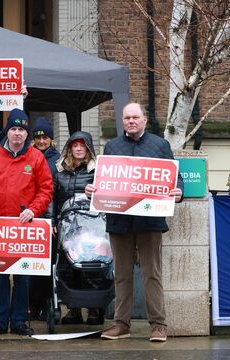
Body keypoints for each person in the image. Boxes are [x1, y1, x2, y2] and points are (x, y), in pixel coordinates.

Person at [85, 103, 183, 342]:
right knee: (122, 275)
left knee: (152, 274)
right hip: (120, 221)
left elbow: (174, 176)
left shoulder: (160, 145)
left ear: (144, 120)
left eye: (135, 117)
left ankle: (158, 325)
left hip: (150, 221)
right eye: (127, 117)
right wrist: (92, 190)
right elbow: (102, 179)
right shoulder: (112, 146)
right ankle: (121, 324)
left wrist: (179, 190)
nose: (131, 121)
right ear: (122, 120)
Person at [0, 108, 53, 336]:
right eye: (14, 129)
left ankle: (19, 320)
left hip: (25, 228)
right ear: (7, 132)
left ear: (26, 133)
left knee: (23, 277)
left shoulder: (36, 157)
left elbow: (46, 189)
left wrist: (33, 209)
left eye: (21, 129)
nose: (17, 133)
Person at [53, 131, 105, 326]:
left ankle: (94, 308)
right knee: (68, 267)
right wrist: (52, 221)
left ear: (89, 149)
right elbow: (53, 197)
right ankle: (73, 309)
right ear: (69, 148)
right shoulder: (59, 170)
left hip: (93, 227)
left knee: (91, 266)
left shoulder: (98, 171)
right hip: (67, 226)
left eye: (83, 145)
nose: (79, 148)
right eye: (75, 145)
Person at [28, 116, 59, 320]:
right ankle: (33, 305)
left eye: (45, 137)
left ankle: (48, 304)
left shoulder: (58, 160)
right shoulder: (27, 156)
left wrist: (55, 219)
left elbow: (59, 192)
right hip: (31, 216)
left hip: (50, 220)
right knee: (31, 265)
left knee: (49, 265)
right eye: (38, 137)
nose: (41, 141)